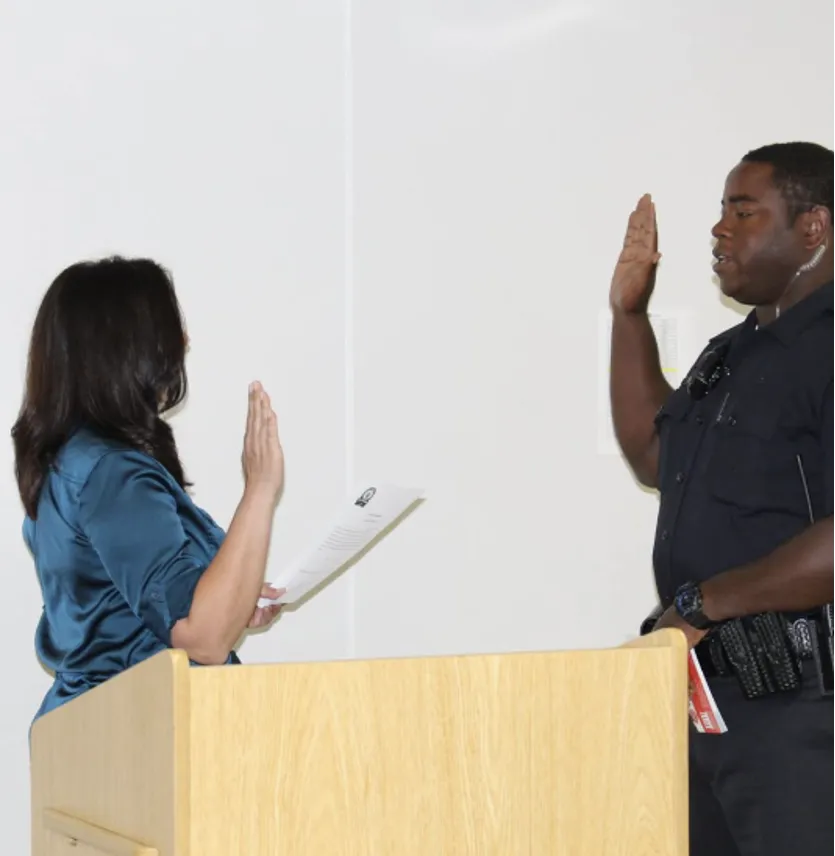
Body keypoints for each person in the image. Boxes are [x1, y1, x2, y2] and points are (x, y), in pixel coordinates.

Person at [609, 141, 835, 856]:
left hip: (804, 711)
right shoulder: (732, 351)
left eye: (744, 211)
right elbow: (655, 456)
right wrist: (628, 317)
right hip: (713, 700)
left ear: (813, 227)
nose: (719, 229)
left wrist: (703, 603)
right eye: (721, 211)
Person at [13, 256, 286, 723]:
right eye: (168, 329)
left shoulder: (75, 462)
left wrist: (233, 599)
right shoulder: (111, 474)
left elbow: (131, 609)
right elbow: (203, 638)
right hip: (140, 736)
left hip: (105, 731)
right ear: (128, 348)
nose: (184, 342)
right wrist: (260, 488)